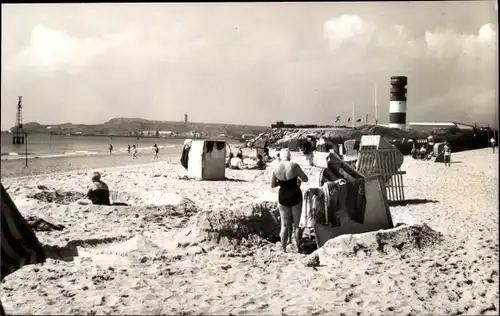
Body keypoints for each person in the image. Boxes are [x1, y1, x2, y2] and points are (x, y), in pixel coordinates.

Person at [271, 148, 308, 253]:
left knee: (284, 224)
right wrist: (296, 180)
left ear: (281, 157)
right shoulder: (294, 166)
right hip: (295, 194)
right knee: (296, 224)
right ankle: (299, 248)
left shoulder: (276, 168)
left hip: (283, 196)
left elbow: (273, 185)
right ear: (289, 156)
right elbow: (305, 179)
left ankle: (283, 249)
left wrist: (282, 183)